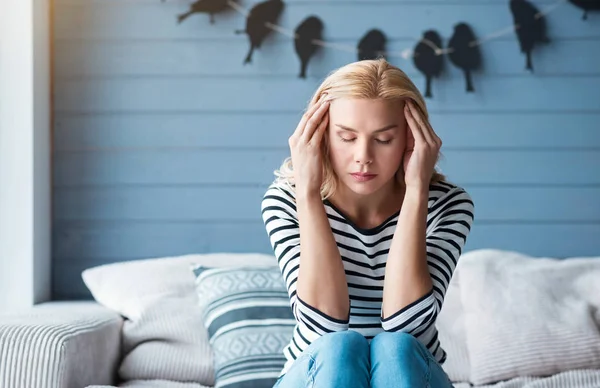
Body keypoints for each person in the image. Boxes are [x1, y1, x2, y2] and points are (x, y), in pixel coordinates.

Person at [260, 58, 475, 388]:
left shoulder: (448, 205)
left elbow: (406, 324)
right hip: (316, 374)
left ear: (411, 140)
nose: (363, 156)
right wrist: (308, 193)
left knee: (397, 348)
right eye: (346, 137)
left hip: (412, 374)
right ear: (319, 136)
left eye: (384, 139)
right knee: (341, 347)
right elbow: (323, 326)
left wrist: (416, 191)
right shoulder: (288, 200)